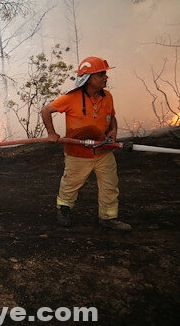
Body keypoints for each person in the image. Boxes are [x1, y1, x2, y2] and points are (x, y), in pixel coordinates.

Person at [41, 56, 132, 232]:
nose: (106, 77)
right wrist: (51, 133)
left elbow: (111, 118)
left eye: (105, 74)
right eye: (101, 75)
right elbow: (46, 110)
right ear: (88, 78)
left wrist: (113, 131)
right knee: (70, 184)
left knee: (110, 185)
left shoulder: (108, 97)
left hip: (103, 151)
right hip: (78, 154)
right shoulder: (71, 98)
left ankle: (108, 218)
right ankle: (64, 210)